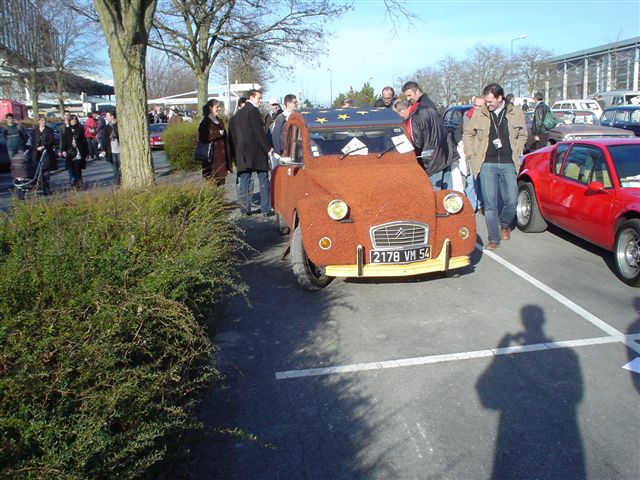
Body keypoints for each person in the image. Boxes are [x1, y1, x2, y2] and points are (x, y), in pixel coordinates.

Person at [463, 83, 527, 250]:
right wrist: (471, 153)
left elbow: (523, 134)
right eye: (486, 101)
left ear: (500, 98)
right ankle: (494, 238)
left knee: (512, 201)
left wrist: (518, 149)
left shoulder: (516, 113)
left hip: (508, 162)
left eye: (490, 101)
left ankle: (505, 224)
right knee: (490, 204)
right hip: (486, 163)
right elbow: (468, 134)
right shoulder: (479, 113)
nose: (488, 104)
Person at [230, 89, 274, 216]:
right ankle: (265, 209)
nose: (260, 100)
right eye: (258, 98)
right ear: (251, 97)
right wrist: (268, 148)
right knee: (263, 179)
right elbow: (258, 131)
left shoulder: (237, 115)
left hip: (242, 153)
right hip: (256, 151)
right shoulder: (253, 110)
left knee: (244, 180)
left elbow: (234, 136)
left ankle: (245, 209)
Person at [392, 98, 452, 190]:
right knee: (447, 193)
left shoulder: (414, 118)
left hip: (432, 160)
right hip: (446, 153)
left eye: (399, 114)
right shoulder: (429, 109)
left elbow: (416, 143)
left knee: (434, 194)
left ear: (403, 110)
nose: (400, 118)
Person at [453, 97, 485, 211]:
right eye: (475, 105)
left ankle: (482, 203)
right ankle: (471, 206)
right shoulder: (467, 116)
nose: (476, 108)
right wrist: (460, 142)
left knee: (482, 180)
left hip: (483, 153)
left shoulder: (488, 118)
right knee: (471, 181)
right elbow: (458, 131)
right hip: (469, 153)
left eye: (480, 106)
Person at [198, 99, 230, 185]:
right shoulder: (205, 122)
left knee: (221, 184)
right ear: (210, 108)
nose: (219, 109)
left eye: (219, 107)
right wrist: (217, 133)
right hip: (211, 159)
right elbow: (203, 138)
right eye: (217, 107)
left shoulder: (219, 120)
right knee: (211, 184)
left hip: (221, 159)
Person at [61, 114, 89, 189]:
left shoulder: (80, 128)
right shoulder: (67, 129)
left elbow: (84, 141)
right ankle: (73, 181)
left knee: (78, 169)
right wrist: (63, 150)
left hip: (78, 151)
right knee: (71, 168)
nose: (74, 120)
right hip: (70, 152)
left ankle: (78, 183)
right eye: (72, 119)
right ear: (70, 121)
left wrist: (87, 152)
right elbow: (64, 140)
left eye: (75, 119)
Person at [31, 116, 56, 194]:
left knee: (46, 170)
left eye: (44, 120)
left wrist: (44, 146)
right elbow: (32, 141)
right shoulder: (35, 131)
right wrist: (36, 147)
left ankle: (46, 187)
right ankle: (39, 185)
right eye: (42, 120)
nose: (43, 122)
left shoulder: (49, 130)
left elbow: (52, 140)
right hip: (37, 153)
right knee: (38, 170)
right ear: (38, 121)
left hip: (46, 152)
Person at [104, 111, 121, 186]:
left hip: (120, 149)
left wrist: (115, 132)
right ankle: (117, 182)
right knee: (115, 168)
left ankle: (122, 180)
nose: (106, 118)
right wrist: (104, 150)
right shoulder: (106, 127)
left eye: (107, 116)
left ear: (112, 116)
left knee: (121, 167)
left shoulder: (118, 125)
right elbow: (105, 139)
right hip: (112, 151)